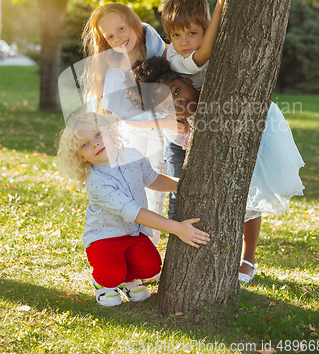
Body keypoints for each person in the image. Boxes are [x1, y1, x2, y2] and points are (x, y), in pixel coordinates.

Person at [125, 57, 305, 284]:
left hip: (258, 132)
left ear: (188, 82)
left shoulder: (217, 90)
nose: (178, 101)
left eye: (177, 90)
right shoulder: (178, 125)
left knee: (251, 193)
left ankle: (248, 259)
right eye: (169, 105)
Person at [57, 111, 210, 307]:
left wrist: (182, 185)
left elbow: (153, 179)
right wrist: (177, 228)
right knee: (112, 274)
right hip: (105, 237)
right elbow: (136, 213)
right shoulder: (98, 183)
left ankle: (129, 280)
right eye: (84, 144)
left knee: (150, 267)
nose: (95, 143)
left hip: (132, 233)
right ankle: (103, 283)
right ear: (82, 158)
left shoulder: (132, 155)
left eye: (98, 134)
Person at [81, 3, 186, 246]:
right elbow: (122, 115)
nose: (118, 37)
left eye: (121, 28)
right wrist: (165, 121)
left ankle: (161, 244)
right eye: (110, 36)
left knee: (163, 181)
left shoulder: (152, 40)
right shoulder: (114, 67)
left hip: (161, 125)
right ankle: (141, 245)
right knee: (139, 186)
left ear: (134, 23)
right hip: (131, 129)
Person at [160, 0, 230, 219]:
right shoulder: (175, 58)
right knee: (178, 188)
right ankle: (174, 229)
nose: (184, 41)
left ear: (205, 29)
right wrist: (220, 4)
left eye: (191, 32)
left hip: (202, 134)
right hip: (177, 139)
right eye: (176, 35)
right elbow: (205, 52)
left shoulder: (217, 52)